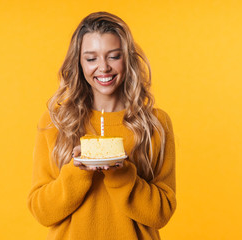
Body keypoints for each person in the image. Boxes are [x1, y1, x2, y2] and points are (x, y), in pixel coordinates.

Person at [27, 11, 176, 240]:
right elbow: (42, 211)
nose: (103, 67)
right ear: (79, 63)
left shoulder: (155, 123)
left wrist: (123, 173)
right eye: (91, 58)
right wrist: (77, 171)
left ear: (127, 58)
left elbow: (162, 213)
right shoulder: (55, 123)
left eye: (114, 56)